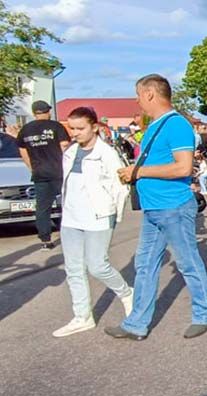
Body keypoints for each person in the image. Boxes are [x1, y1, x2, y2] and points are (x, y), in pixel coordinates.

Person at [109, 74, 207, 340]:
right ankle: (136, 323)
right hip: (155, 208)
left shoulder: (176, 124)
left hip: (173, 206)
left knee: (188, 263)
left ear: (149, 94)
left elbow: (182, 167)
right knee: (144, 265)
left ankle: (204, 315)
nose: (137, 101)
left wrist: (139, 171)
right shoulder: (158, 124)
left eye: (138, 95)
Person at [52, 107, 133, 337]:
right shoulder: (69, 152)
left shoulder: (106, 153)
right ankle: (82, 316)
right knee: (74, 269)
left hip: (98, 216)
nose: (75, 133)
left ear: (94, 127)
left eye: (80, 128)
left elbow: (120, 186)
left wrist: (113, 213)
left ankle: (126, 293)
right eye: (72, 128)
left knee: (97, 265)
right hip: (71, 217)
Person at [16, 100, 71, 250]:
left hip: (39, 173)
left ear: (34, 113)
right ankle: (71, 234)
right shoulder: (56, 127)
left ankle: (45, 240)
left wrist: (31, 167)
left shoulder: (25, 130)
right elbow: (64, 146)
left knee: (42, 208)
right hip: (59, 171)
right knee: (68, 203)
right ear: (48, 111)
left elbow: (22, 150)